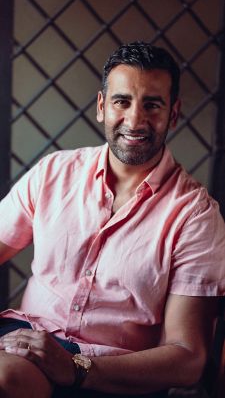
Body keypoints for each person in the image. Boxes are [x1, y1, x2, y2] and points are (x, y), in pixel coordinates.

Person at [0, 41, 224, 398]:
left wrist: (75, 367)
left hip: (113, 375)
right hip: (25, 342)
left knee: (7, 379)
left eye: (152, 105)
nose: (135, 120)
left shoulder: (196, 216)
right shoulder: (54, 173)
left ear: (174, 113)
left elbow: (187, 357)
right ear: (103, 107)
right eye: (122, 101)